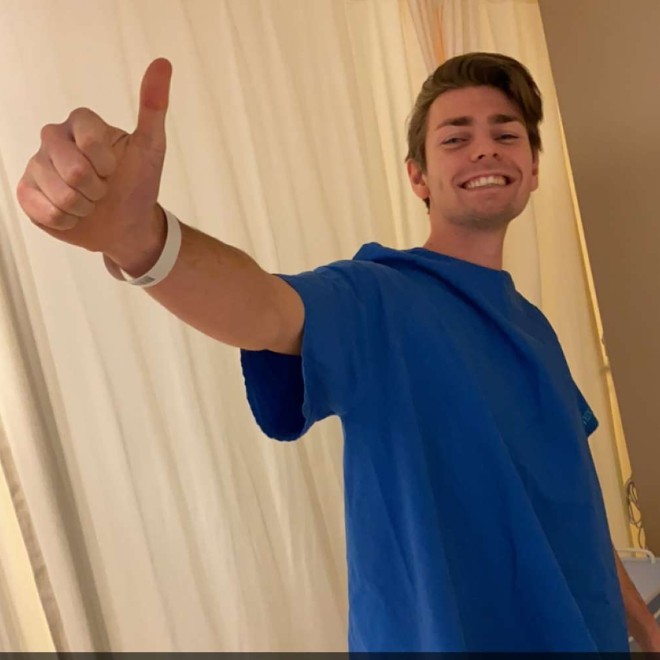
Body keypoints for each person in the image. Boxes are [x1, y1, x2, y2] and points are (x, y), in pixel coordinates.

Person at [16, 51, 660, 653]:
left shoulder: (536, 328)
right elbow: (266, 310)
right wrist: (142, 241)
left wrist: (642, 625)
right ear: (418, 176)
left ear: (534, 167)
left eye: (507, 133)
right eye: (455, 138)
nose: (485, 148)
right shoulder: (379, 296)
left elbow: (575, 497)